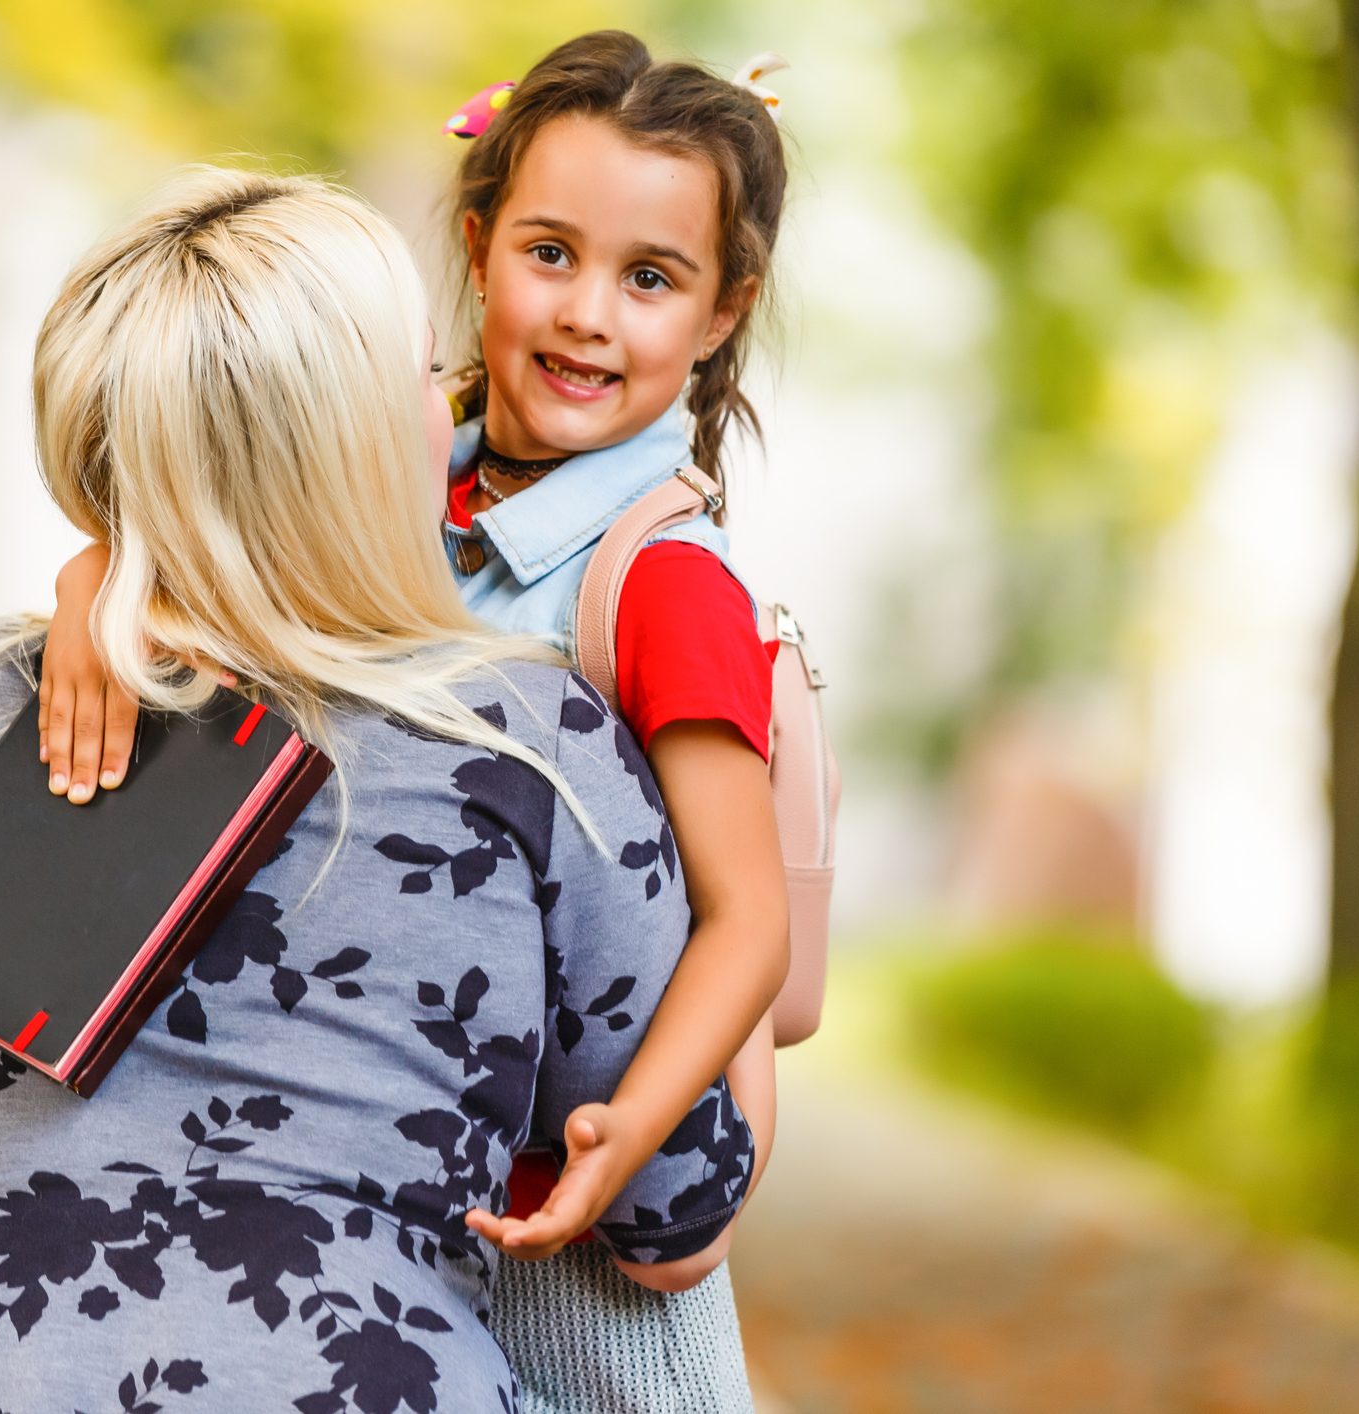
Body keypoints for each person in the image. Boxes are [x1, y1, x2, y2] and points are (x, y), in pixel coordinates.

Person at [0, 166, 752, 1414]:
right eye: (423, 379)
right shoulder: (536, 750)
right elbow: (679, 1225)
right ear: (351, 440)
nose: (451, 415)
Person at [41, 31, 796, 1412]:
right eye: (549, 253)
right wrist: (94, 579)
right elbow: (211, 550)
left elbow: (746, 912)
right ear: (475, 243)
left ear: (721, 312)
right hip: (378, 1168)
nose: (586, 313)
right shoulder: (387, 484)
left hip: (564, 1210)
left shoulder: (662, 585)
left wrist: (630, 1132)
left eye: (649, 278)